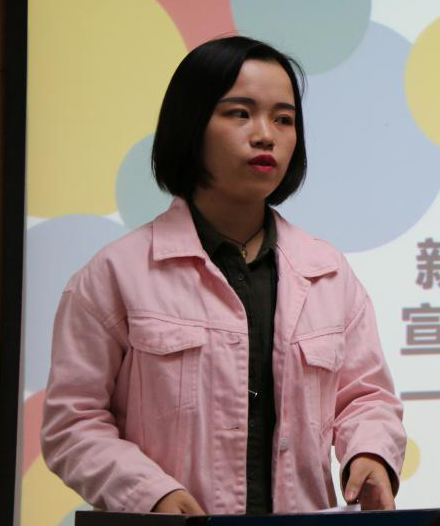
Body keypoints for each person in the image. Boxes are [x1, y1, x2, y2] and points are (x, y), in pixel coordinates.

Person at [41, 36, 405, 515]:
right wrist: (151, 493)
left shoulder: (328, 272)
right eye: (240, 114)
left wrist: (370, 453)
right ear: (190, 125)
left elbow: (366, 397)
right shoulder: (115, 275)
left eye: (284, 119)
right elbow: (73, 424)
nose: (266, 135)